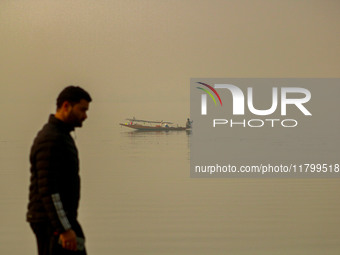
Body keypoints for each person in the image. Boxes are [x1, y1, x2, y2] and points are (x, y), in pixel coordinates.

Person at [27, 86, 92, 255]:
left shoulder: (61, 136)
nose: (85, 115)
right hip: (50, 223)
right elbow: (48, 189)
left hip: (60, 220)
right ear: (66, 106)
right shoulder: (51, 139)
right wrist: (63, 229)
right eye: (82, 109)